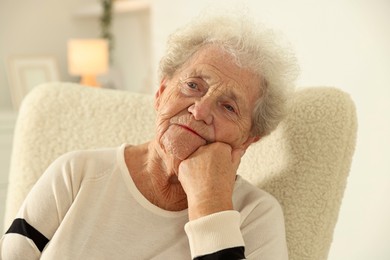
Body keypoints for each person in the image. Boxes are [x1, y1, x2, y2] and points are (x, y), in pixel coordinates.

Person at [1, 13, 298, 260]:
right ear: (160, 92)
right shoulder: (75, 173)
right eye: (193, 85)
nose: (200, 110)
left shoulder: (256, 215)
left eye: (229, 107)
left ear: (248, 139)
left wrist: (210, 204)